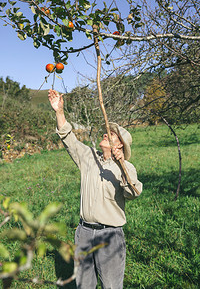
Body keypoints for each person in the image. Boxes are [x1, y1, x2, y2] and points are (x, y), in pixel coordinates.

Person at [48, 88, 143, 289]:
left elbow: (133, 192)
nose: (104, 133)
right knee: (84, 285)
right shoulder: (89, 157)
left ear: (120, 145)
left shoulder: (126, 168)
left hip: (110, 236)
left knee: (111, 286)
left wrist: (121, 166)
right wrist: (59, 111)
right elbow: (68, 138)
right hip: (83, 232)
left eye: (111, 134)